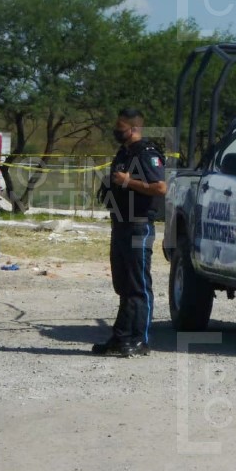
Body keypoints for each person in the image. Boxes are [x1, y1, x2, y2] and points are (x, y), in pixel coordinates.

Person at [92, 108, 167, 358]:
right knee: (122, 284)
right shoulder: (124, 152)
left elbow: (160, 187)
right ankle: (121, 337)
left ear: (133, 129)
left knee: (138, 285)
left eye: (120, 127)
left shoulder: (147, 153)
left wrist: (127, 181)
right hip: (121, 223)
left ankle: (140, 340)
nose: (117, 131)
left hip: (139, 224)